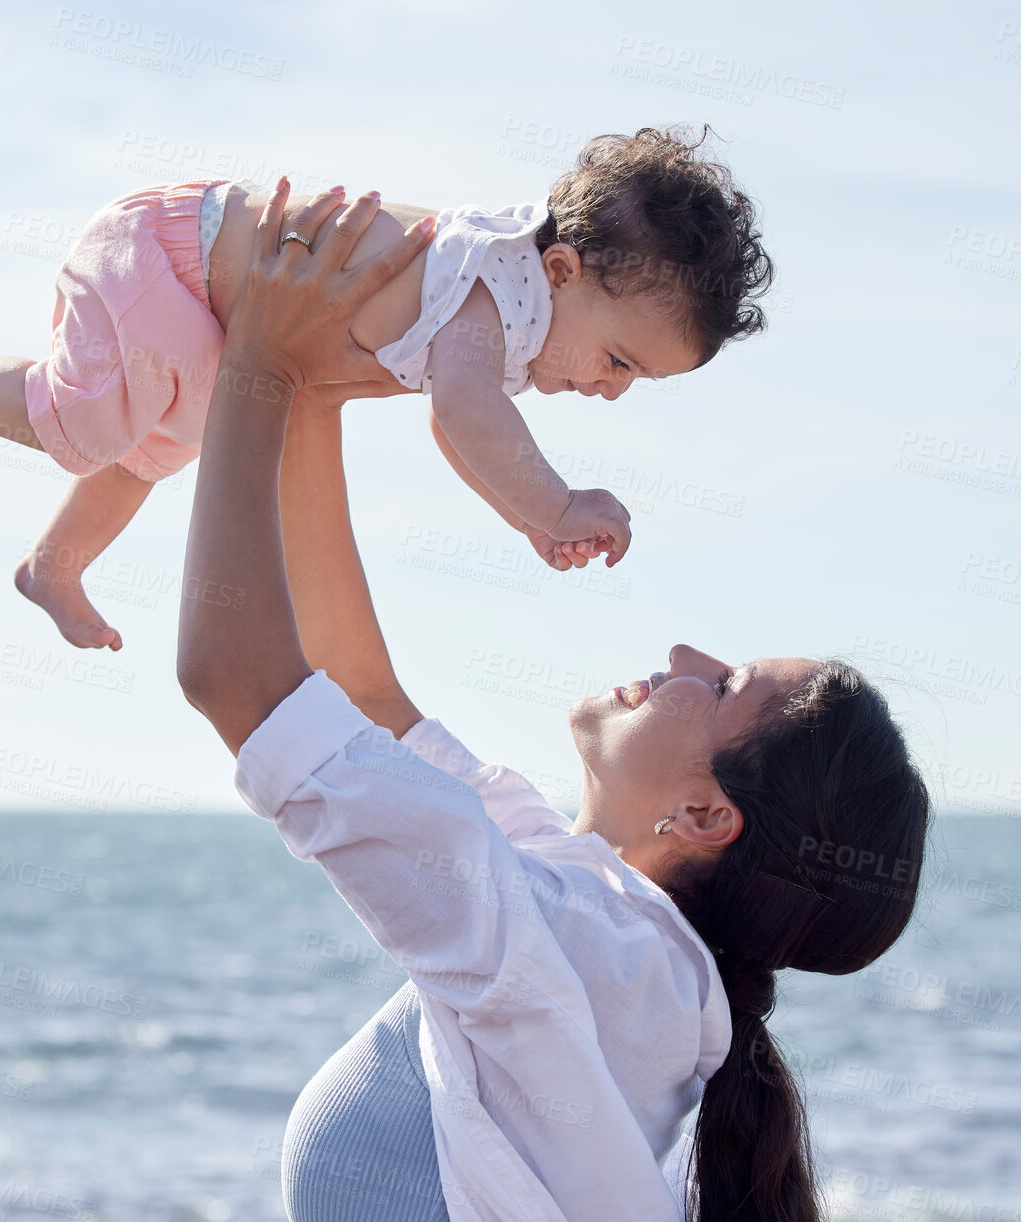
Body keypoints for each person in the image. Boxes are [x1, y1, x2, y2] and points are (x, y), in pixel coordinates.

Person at [178, 182, 931, 1221]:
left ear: (706, 817)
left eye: (718, 687)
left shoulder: (587, 948)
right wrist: (307, 385)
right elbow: (358, 695)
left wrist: (256, 368)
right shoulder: (599, 926)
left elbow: (235, 681)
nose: (679, 651)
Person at [0, 126, 773, 651]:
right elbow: (467, 412)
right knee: (88, 424)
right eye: (619, 361)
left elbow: (459, 426)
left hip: (210, 306)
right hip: (167, 252)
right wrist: (556, 500)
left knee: (161, 440)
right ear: (563, 270)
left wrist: (530, 516)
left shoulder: (510, 315)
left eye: (635, 382)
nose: (610, 391)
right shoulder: (494, 288)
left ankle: (55, 563)